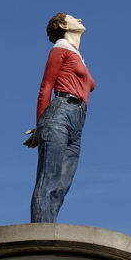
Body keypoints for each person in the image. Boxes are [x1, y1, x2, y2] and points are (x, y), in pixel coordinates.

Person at [24, 12, 95, 223]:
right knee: (48, 181)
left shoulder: (76, 54)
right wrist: (39, 125)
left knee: (61, 187)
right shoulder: (60, 49)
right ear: (64, 25)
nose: (80, 19)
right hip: (60, 114)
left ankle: (49, 230)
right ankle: (41, 238)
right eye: (74, 17)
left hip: (77, 123)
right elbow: (46, 86)